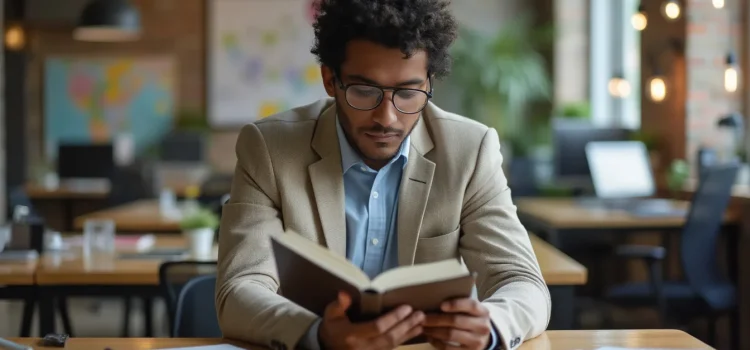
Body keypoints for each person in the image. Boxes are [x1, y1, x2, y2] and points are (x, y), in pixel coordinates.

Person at [215, 0, 550, 349]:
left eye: (407, 93)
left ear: (429, 83)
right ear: (331, 79)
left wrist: (491, 326)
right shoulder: (269, 148)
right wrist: (319, 334)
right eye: (365, 91)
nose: (387, 118)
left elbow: (521, 280)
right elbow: (240, 288)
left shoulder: (470, 150)